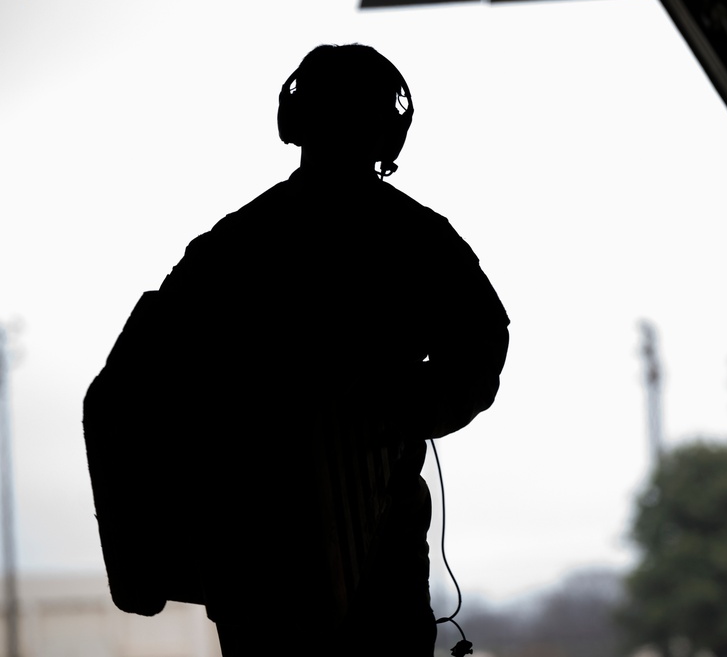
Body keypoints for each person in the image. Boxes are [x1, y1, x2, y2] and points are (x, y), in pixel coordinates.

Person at [82, 43, 509, 656]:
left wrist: (396, 405)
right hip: (282, 553)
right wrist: (404, 405)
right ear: (391, 132)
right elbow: (481, 348)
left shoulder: (234, 245)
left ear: (292, 121)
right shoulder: (416, 239)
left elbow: (130, 385)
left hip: (272, 554)